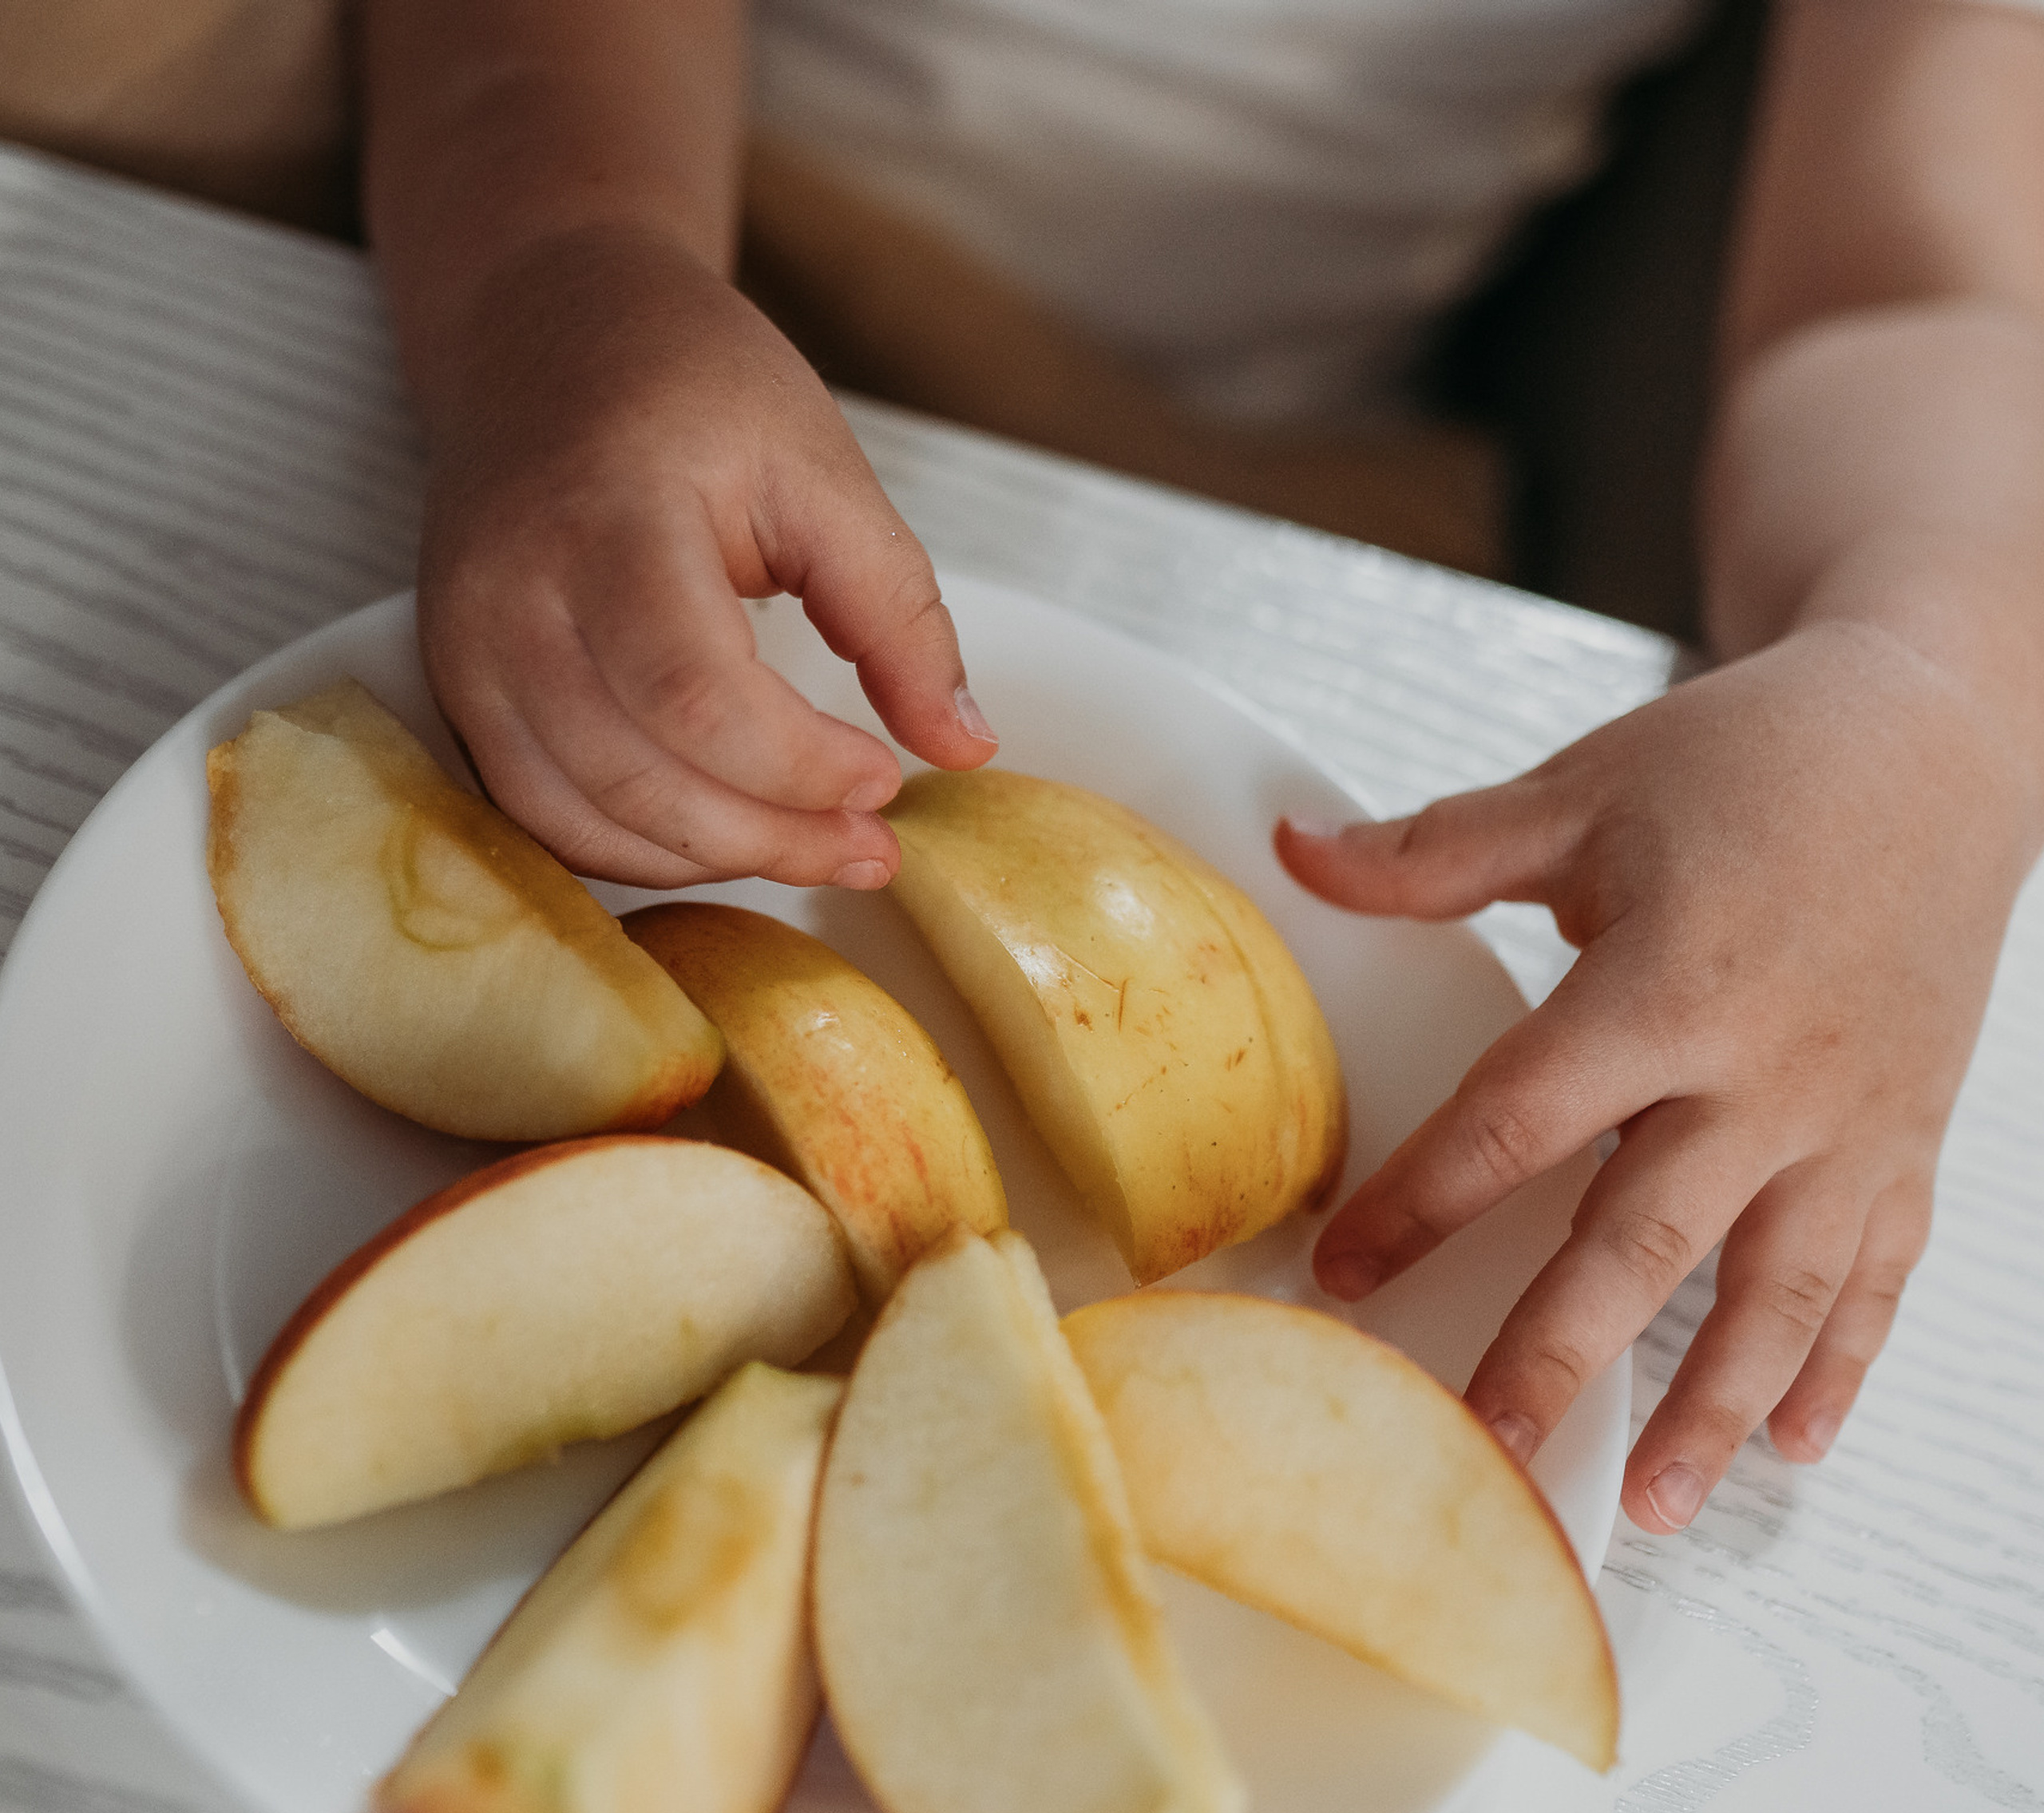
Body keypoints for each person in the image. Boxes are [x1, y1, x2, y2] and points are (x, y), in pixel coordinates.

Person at [339, 1, 2044, 1537]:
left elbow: (1923, 288)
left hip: (1273, 494)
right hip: (619, 229)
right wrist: (560, 270)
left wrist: (1935, 702)